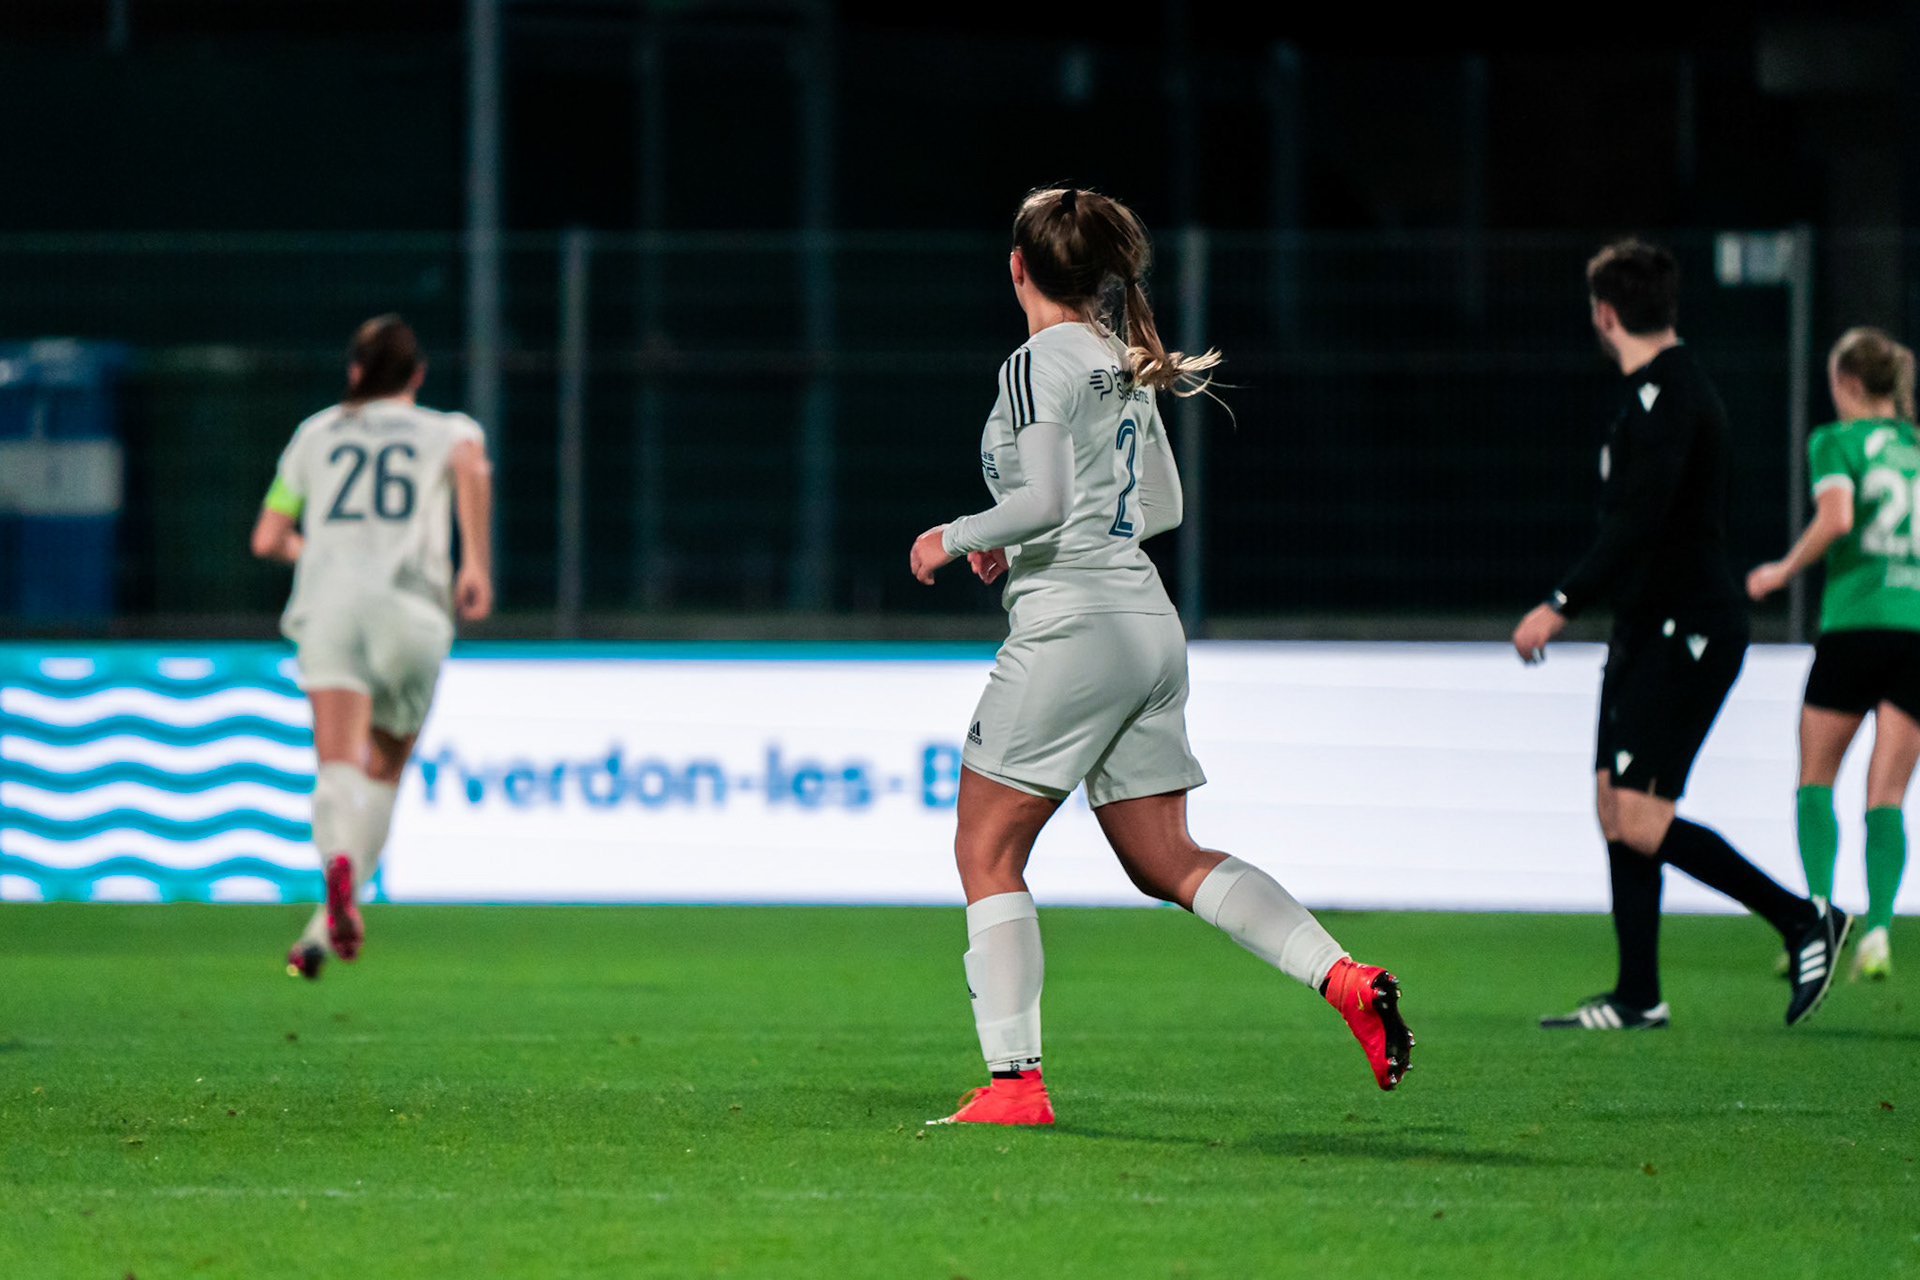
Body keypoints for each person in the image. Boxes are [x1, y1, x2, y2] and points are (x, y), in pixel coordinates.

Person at [908, 187, 1412, 1127]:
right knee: (1165, 858)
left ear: (1018, 269)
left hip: (1073, 629)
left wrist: (956, 535)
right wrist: (1030, 541)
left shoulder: (1036, 361)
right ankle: (1343, 977)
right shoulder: (1120, 359)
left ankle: (1015, 1086)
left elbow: (1045, 500)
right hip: (1146, 623)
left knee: (985, 847)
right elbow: (1162, 507)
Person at [1513, 240, 1845, 1030]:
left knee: (1638, 815)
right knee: (1613, 804)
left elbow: (1640, 519)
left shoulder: (1674, 392)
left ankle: (1803, 920)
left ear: (1604, 313)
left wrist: (1560, 602)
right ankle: (1638, 995)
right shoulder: (1652, 392)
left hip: (1689, 628)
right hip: (1645, 626)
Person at [250, 315, 493, 980]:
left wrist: (323, 554)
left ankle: (334, 869)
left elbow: (268, 537)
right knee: (385, 766)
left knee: (336, 766)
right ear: (417, 375)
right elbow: (472, 468)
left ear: (355, 372)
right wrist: (475, 562)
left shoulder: (315, 433)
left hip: (331, 607)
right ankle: (320, 931)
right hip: (410, 609)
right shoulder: (450, 429)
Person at [1748, 326, 1919, 981]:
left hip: (1855, 626)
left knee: (1816, 780)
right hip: (1916, 629)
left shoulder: (1835, 442)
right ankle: (1878, 932)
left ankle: (1819, 919)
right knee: (1888, 795)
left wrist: (1782, 570)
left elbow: (1839, 517)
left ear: (1848, 383)